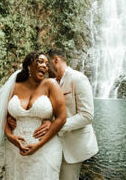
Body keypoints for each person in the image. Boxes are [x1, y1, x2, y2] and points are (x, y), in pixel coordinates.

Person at [0, 52, 66, 180]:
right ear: (29, 64)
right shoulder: (14, 86)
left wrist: (39, 144)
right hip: (15, 150)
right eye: (40, 61)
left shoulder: (51, 85)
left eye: (47, 64)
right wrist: (9, 136)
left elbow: (61, 118)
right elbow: (2, 114)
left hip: (46, 148)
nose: (45, 66)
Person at [34, 48, 99, 180]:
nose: (46, 68)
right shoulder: (49, 83)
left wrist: (55, 126)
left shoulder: (78, 78)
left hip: (73, 146)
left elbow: (87, 115)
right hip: (52, 144)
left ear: (56, 59)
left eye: (47, 64)